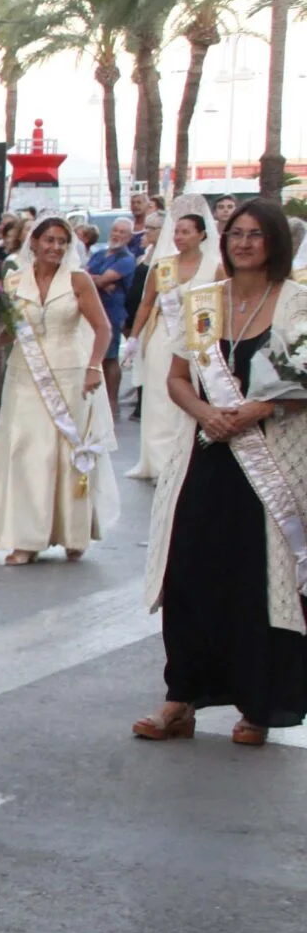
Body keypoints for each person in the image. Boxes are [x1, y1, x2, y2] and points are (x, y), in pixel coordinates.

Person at [135, 196, 307, 744]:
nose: (244, 242)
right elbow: (178, 378)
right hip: (206, 453)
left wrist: (258, 408)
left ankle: (258, 705)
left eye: (256, 234)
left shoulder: (298, 302)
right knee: (189, 568)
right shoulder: (202, 300)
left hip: (272, 457)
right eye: (236, 233)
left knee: (257, 577)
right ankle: (180, 698)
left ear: (275, 242)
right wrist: (207, 412)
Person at [0, 214, 118, 564]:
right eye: (49, 240)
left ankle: (73, 532)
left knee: (68, 451)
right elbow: (9, 332)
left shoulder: (78, 280)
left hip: (71, 371)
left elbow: (102, 328)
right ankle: (27, 539)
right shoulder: (15, 280)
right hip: (24, 374)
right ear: (34, 243)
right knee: (27, 451)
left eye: (62, 241)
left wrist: (94, 367)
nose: (55, 247)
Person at [125, 200, 222, 482]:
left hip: (197, 343)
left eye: (186, 232)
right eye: (177, 232)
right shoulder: (163, 267)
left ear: (202, 234)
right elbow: (146, 304)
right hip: (162, 339)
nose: (179, 237)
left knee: (185, 401)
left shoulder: (215, 267)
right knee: (158, 398)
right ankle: (157, 461)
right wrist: (133, 337)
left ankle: (181, 460)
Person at [85, 215, 140, 418]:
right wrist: (98, 280)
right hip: (92, 310)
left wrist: (97, 280)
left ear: (129, 236)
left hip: (111, 312)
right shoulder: (99, 254)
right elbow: (82, 276)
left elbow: (97, 281)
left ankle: (112, 401)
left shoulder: (126, 259)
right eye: (115, 230)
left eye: (122, 232)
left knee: (109, 357)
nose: (117, 234)